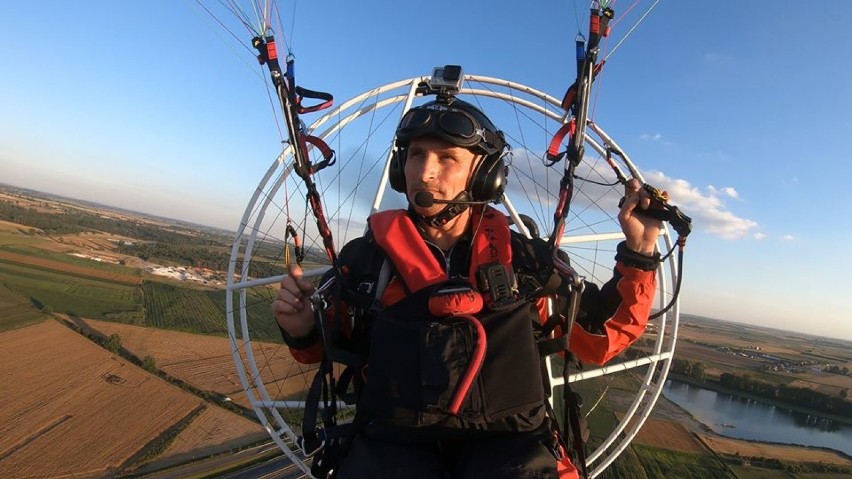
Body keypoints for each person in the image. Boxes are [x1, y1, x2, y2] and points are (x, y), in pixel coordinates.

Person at [273, 93, 662, 479]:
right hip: (391, 446)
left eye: (447, 158)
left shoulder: (524, 263)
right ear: (399, 166)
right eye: (415, 155)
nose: (424, 172)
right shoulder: (366, 262)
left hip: (512, 450)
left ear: (483, 174)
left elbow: (599, 338)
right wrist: (303, 325)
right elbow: (325, 345)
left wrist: (640, 252)